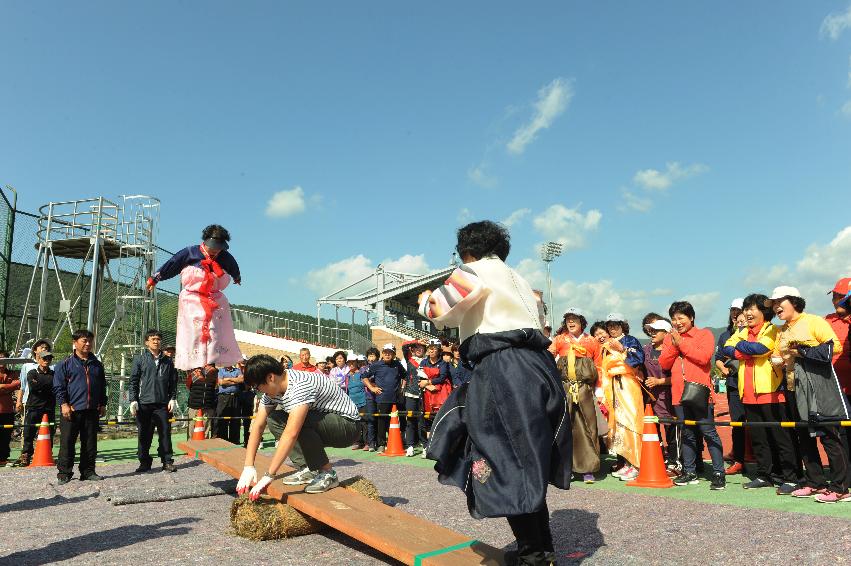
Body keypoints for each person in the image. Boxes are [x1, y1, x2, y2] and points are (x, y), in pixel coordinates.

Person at [418, 220, 569, 566]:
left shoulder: (472, 271)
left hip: (504, 368)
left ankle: (533, 556)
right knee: (527, 458)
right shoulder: (518, 278)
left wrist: (424, 299)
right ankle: (540, 549)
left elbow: (439, 312)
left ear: (466, 251)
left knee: (505, 457)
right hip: (538, 366)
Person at [236, 355, 360, 497]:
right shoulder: (273, 390)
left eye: (257, 387)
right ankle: (307, 467)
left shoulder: (300, 385)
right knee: (274, 419)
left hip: (348, 426)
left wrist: (269, 475)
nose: (259, 391)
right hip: (323, 421)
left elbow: (291, 433)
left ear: (270, 377)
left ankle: (328, 473)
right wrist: (248, 466)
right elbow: (258, 425)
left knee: (299, 422)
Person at [769, 286, 849, 503]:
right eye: (773, 304)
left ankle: (841, 486)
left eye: (779, 302)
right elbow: (779, 355)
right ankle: (815, 482)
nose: (776, 307)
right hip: (794, 388)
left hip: (819, 386)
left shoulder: (813, 321)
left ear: (794, 301)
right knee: (804, 436)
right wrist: (778, 360)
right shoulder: (783, 330)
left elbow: (835, 348)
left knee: (830, 435)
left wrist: (802, 351)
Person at [721, 294, 799, 494]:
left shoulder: (772, 329)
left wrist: (742, 348)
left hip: (771, 392)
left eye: (751, 309)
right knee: (758, 438)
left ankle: (789, 477)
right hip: (747, 393)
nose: (747, 313)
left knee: (780, 437)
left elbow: (762, 348)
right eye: (745, 309)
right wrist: (747, 350)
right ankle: (765, 475)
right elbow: (726, 349)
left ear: (763, 312)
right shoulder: (742, 331)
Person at [146, 224, 242, 371]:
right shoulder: (190, 252)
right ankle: (195, 367)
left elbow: (233, 267)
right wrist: (155, 279)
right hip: (192, 298)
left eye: (219, 247)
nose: (216, 250)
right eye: (213, 246)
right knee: (193, 331)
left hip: (214, 299)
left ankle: (211, 362)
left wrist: (237, 277)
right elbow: (171, 264)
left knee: (213, 330)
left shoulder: (224, 257)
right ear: (205, 242)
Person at [658, 301, 726, 491]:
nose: (677, 322)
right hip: (679, 393)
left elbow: (704, 357)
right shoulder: (669, 338)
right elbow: (664, 363)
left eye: (681, 318)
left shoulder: (704, 334)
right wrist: (673, 345)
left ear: (691, 317)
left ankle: (719, 473)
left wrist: (682, 343)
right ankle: (690, 471)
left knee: (708, 432)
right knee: (686, 434)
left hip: (700, 392)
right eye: (674, 319)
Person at [549, 307, 602, 483]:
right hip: (565, 388)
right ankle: (566, 467)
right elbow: (548, 357)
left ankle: (589, 468)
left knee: (589, 427)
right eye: (568, 319)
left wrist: (599, 390)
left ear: (582, 322)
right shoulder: (559, 339)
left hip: (585, 389)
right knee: (565, 426)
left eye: (574, 319)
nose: (571, 322)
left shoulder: (592, 341)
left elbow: (599, 366)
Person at [53, 329, 107, 484]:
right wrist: (63, 404)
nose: (88, 344)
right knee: (67, 442)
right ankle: (64, 473)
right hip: (72, 410)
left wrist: (103, 403)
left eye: (90, 340)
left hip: (92, 410)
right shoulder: (65, 364)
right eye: (84, 340)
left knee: (90, 443)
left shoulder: (97, 364)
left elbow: (102, 385)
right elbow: (58, 387)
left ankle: (88, 471)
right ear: (75, 343)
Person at [129, 329, 179, 473]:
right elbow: (133, 381)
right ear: (146, 343)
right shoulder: (140, 359)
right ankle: (144, 462)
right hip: (144, 404)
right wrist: (133, 400)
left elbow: (173, 382)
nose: (156, 341)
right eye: (152, 339)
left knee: (165, 434)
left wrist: (173, 398)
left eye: (158, 339)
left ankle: (167, 461)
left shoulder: (168, 361)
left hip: (162, 404)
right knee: (144, 435)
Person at [641, 314, 679, 475]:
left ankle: (674, 462)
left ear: (667, 333)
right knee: (653, 429)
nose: (652, 333)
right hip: (650, 399)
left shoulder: (673, 351)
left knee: (672, 430)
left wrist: (658, 382)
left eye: (657, 330)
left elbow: (678, 377)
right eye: (651, 330)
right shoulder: (645, 350)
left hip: (669, 397)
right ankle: (658, 457)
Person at [715, 298, 746, 475]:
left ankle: (753, 456)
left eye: (739, 310)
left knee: (757, 424)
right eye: (732, 310)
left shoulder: (754, 332)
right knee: (737, 423)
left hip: (753, 384)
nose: (735, 313)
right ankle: (739, 459)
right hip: (734, 384)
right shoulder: (725, 335)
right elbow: (718, 358)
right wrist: (724, 370)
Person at [824, 277, 851, 480]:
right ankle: (844, 475)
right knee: (838, 433)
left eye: (840, 297)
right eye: (834, 296)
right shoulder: (827, 321)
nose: (836, 301)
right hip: (835, 389)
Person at [360, 344, 406, 453]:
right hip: (382, 398)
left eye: (389, 352)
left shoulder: (397, 364)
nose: (387, 354)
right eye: (385, 352)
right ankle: (381, 444)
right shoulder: (376, 365)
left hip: (396, 399)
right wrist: (372, 388)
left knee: (396, 421)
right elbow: (364, 377)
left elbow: (405, 375)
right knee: (382, 421)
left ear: (394, 354)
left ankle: (395, 442)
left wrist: (402, 387)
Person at [18, 349, 56, 467]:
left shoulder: (54, 374)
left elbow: (55, 386)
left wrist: (41, 383)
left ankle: (47, 453)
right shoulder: (32, 372)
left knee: (50, 432)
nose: (47, 361)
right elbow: (33, 387)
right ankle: (26, 455)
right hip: (34, 406)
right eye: (44, 358)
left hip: (49, 407)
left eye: (49, 358)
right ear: (38, 359)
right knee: (29, 433)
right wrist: (48, 384)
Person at [417, 339, 452, 459]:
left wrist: (429, 382)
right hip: (426, 394)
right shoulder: (423, 362)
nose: (431, 350)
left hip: (440, 394)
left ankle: (439, 447)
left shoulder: (443, 363)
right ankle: (426, 447)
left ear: (439, 350)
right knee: (425, 420)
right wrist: (426, 384)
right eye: (430, 348)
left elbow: (442, 377)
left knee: (439, 419)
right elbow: (419, 377)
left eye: (434, 348)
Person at [400, 340, 427, 456]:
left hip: (425, 394)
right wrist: (416, 341)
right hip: (411, 393)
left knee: (423, 421)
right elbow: (404, 346)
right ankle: (410, 445)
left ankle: (425, 445)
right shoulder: (409, 359)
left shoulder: (428, 361)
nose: (419, 349)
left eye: (421, 347)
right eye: (416, 347)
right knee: (410, 420)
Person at [186, 364, 218, 439]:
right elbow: (188, 385)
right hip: (194, 406)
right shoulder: (194, 373)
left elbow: (216, 386)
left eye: (210, 365)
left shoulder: (214, 374)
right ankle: (190, 448)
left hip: (208, 406)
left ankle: (204, 448)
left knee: (205, 430)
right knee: (192, 428)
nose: (208, 366)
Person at [0, 351, 20, 465]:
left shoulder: (12, 373)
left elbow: (18, 384)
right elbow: (13, 385)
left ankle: (3, 458)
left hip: (8, 410)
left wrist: (3, 386)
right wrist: (9, 387)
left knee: (6, 435)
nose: (2, 361)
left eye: (4, 359)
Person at [216, 363, 244, 444]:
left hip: (235, 397)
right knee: (223, 419)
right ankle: (223, 440)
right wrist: (235, 381)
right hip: (223, 397)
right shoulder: (220, 371)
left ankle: (234, 441)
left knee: (235, 419)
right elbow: (221, 382)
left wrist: (227, 379)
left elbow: (241, 380)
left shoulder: (237, 370)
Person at [360, 347, 380, 451]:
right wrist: (372, 386)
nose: (371, 358)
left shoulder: (381, 366)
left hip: (381, 396)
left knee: (381, 419)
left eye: (373, 355)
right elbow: (364, 379)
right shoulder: (364, 368)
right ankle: (371, 443)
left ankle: (381, 442)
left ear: (377, 357)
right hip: (369, 396)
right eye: (370, 356)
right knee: (371, 419)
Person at [345, 357, 367, 449]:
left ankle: (367, 442)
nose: (351, 364)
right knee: (355, 422)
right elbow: (347, 390)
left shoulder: (362, 373)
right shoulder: (347, 376)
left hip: (363, 401)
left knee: (365, 422)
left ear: (356, 363)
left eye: (352, 362)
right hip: (352, 403)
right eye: (349, 363)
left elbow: (366, 386)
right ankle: (357, 442)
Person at [237, 356, 255, 447]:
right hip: (238, 395)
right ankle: (236, 441)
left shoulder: (249, 371)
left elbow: (248, 384)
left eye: (244, 360)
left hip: (248, 395)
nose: (243, 362)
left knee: (247, 420)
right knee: (235, 419)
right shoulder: (236, 371)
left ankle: (247, 441)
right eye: (241, 360)